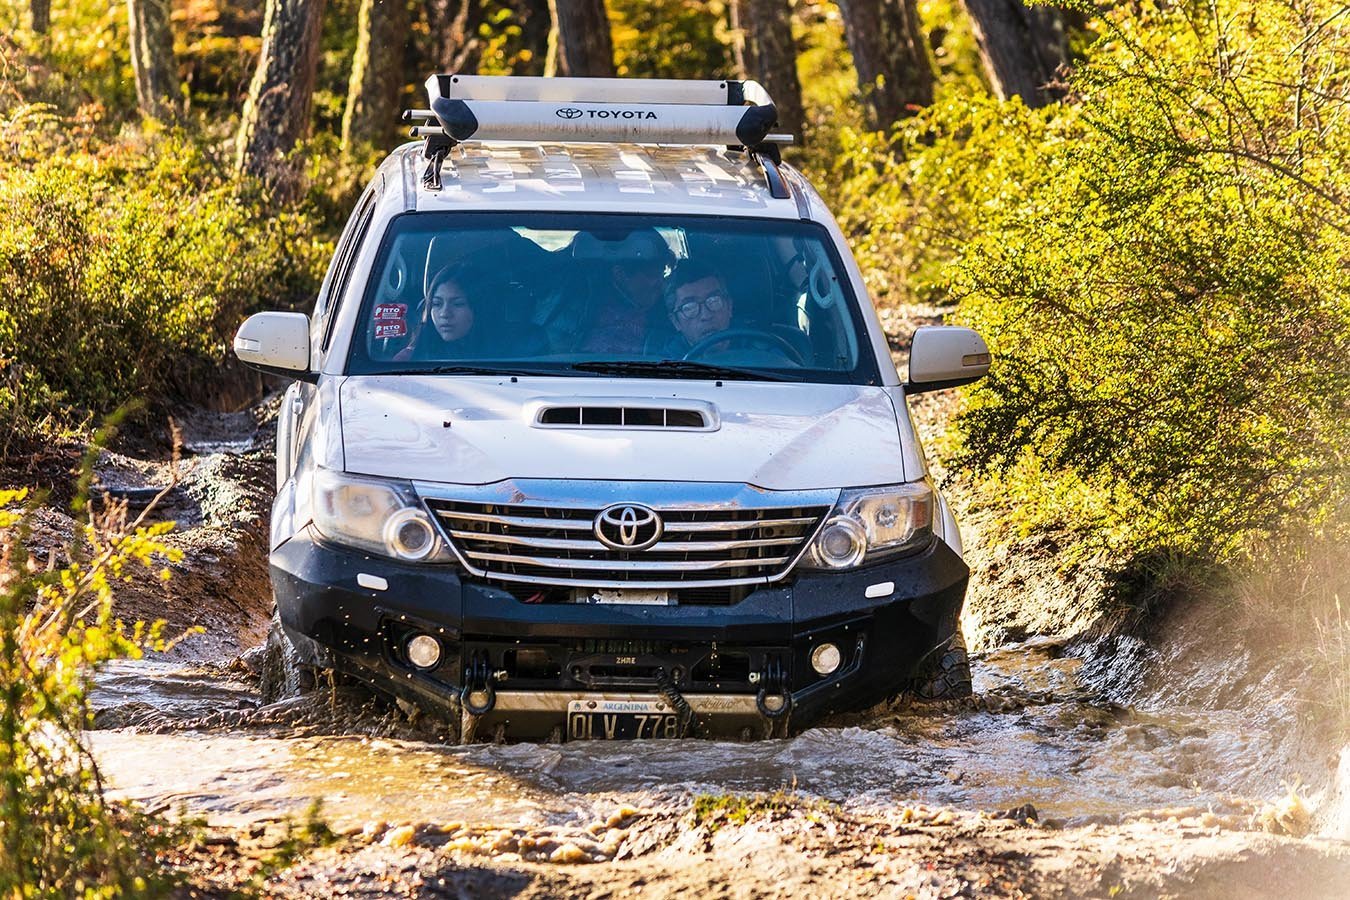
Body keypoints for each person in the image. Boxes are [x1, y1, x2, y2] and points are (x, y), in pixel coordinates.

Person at [394, 263, 484, 361]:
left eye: (457, 304)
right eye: (437, 304)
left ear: (478, 309)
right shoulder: (408, 359)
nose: (444, 314)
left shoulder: (498, 358)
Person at [662, 261, 735, 355]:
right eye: (689, 307)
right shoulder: (665, 366)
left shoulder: (757, 349)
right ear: (676, 322)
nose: (706, 315)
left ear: (729, 306)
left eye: (714, 301)